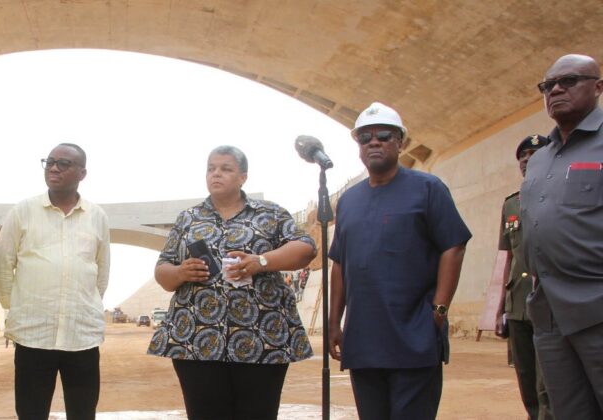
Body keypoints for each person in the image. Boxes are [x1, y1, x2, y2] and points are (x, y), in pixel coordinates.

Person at [146, 145, 316, 420]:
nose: (216, 174)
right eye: (211, 169)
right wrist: (181, 272)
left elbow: (306, 248)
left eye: (226, 169)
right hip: (197, 343)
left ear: (243, 177)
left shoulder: (270, 214)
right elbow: (162, 270)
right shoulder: (188, 219)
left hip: (261, 339)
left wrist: (261, 261)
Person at [327, 102, 471, 420]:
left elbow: (453, 246)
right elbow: (339, 262)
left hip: (414, 334)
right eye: (365, 138)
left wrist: (439, 310)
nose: (374, 142)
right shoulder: (349, 201)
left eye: (383, 135)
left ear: (400, 142)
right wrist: (334, 322)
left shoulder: (428, 188)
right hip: (364, 339)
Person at [0, 143, 111, 420]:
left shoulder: (97, 216)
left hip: (82, 337)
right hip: (33, 336)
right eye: (50, 161)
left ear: (82, 173)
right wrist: (19, 306)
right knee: (31, 413)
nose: (54, 168)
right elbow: (1, 267)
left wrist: (83, 305)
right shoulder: (23, 211)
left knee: (83, 412)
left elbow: (100, 272)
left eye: (64, 163)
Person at [521, 54, 603, 420]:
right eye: (547, 86)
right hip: (549, 315)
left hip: (597, 308)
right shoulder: (539, 160)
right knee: (568, 412)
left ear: (598, 87)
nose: (555, 89)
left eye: (568, 81)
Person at [494, 134, 553, 420]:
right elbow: (505, 258)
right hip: (518, 305)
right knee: (527, 380)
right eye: (522, 156)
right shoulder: (511, 205)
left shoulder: (562, 195)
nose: (526, 159)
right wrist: (497, 310)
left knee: (549, 385)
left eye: (534, 153)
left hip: (553, 304)